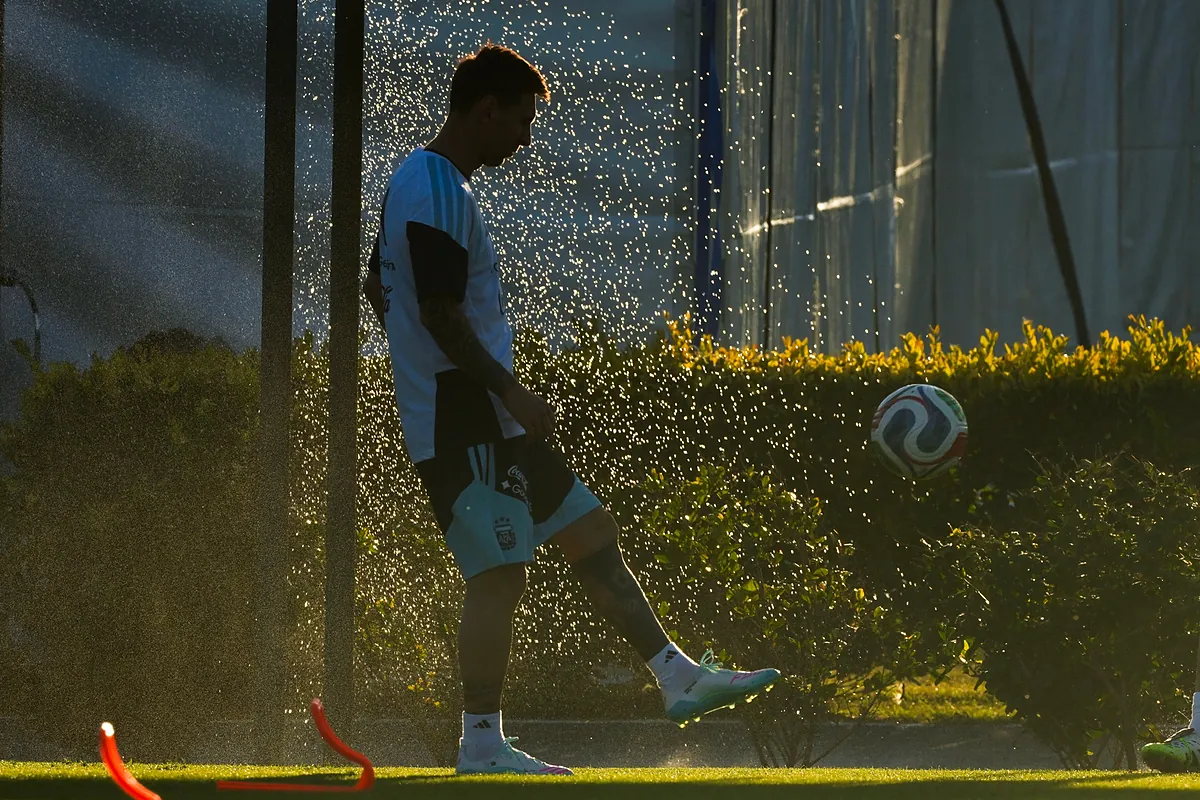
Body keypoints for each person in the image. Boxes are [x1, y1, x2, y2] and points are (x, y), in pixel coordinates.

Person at [361, 42, 780, 776]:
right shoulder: (434, 186)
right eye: (521, 121)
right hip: (464, 419)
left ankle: (677, 676)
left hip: (483, 418)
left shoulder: (421, 180)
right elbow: (436, 311)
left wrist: (442, 372)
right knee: (498, 575)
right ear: (486, 109)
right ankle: (481, 744)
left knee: (588, 531)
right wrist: (504, 388)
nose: (525, 139)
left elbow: (379, 286)